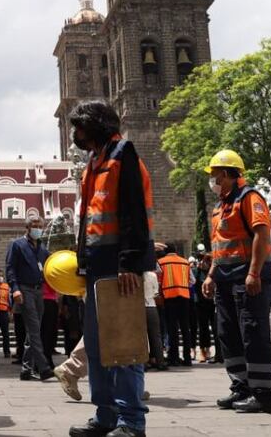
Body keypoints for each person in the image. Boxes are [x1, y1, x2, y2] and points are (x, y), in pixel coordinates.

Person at [67, 101, 153, 437]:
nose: (76, 134)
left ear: (95, 125)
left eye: (80, 127)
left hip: (120, 264)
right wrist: (82, 259)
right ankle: (105, 415)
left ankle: (131, 421)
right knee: (98, 344)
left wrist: (130, 261)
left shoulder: (123, 154)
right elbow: (89, 216)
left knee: (124, 343)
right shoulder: (95, 160)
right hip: (97, 264)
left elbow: (132, 211)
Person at [201, 149, 271, 415]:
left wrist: (254, 273)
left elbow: (261, 234)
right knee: (228, 334)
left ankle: (264, 393)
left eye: (215, 175)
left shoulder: (249, 197)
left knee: (253, 332)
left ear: (228, 174)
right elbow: (219, 245)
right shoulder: (220, 205)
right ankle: (241, 387)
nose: (213, 180)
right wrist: (211, 274)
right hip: (224, 277)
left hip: (246, 275)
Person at [6, 213, 54, 381]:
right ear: (27, 227)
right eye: (35, 225)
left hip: (38, 291)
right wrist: (15, 289)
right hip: (24, 290)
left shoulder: (43, 249)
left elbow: (52, 266)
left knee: (33, 332)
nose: (38, 229)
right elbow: (10, 268)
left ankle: (26, 370)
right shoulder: (17, 245)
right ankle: (44, 367)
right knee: (34, 329)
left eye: (40, 226)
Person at [158, 247, 193, 366]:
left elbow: (159, 280)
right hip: (184, 296)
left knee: (172, 329)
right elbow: (192, 281)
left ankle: (174, 358)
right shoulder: (185, 262)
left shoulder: (161, 262)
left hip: (169, 297)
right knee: (185, 328)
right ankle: (187, 358)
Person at [192, 253, 215, 363]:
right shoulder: (197, 272)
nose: (204, 263)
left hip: (212, 302)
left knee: (215, 327)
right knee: (203, 328)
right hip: (200, 303)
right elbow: (193, 281)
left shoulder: (212, 272)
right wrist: (197, 269)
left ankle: (210, 349)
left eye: (206, 261)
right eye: (202, 260)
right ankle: (202, 350)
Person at [143, 268, 164, 369]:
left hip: (138, 308)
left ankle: (143, 363)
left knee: (141, 336)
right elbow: (156, 292)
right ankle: (160, 361)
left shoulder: (134, 276)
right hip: (151, 306)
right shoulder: (152, 275)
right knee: (156, 335)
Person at [0, 271, 12, 358]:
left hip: (4, 311)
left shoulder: (7, 287)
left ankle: (7, 352)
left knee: (5, 333)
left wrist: (10, 312)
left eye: (1, 276)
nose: (0, 277)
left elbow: (10, 300)